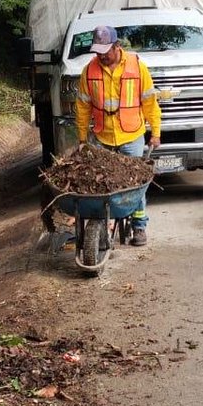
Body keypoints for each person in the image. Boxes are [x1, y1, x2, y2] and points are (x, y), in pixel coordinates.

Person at [75, 25, 161, 246]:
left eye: (106, 50)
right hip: (103, 136)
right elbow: (83, 106)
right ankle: (103, 226)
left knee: (135, 183)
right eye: (98, 51)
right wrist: (82, 138)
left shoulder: (136, 67)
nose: (102, 55)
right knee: (102, 185)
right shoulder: (89, 71)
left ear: (117, 45)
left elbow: (150, 102)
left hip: (131, 135)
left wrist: (156, 133)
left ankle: (139, 227)